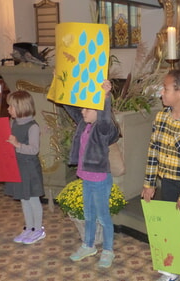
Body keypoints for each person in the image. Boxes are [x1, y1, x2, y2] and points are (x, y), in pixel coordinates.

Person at [141, 66, 180, 281]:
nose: (162, 93)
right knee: (169, 228)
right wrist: (149, 183)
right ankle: (171, 268)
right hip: (166, 182)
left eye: (166, 89)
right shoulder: (160, 117)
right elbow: (152, 151)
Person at [65, 80, 120, 269]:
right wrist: (61, 84)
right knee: (88, 215)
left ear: (98, 111)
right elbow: (71, 108)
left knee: (103, 217)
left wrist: (105, 97)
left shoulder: (103, 129)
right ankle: (88, 245)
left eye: (87, 109)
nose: (83, 112)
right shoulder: (84, 124)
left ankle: (108, 250)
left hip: (100, 180)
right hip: (86, 178)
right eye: (83, 109)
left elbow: (105, 118)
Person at [4, 90, 46, 244]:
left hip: (29, 168)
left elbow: (34, 149)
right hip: (17, 166)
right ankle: (29, 227)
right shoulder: (12, 122)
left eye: (11, 106)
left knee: (33, 199)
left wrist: (17, 145)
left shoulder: (32, 126)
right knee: (23, 199)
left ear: (21, 107)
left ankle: (38, 229)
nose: (8, 109)